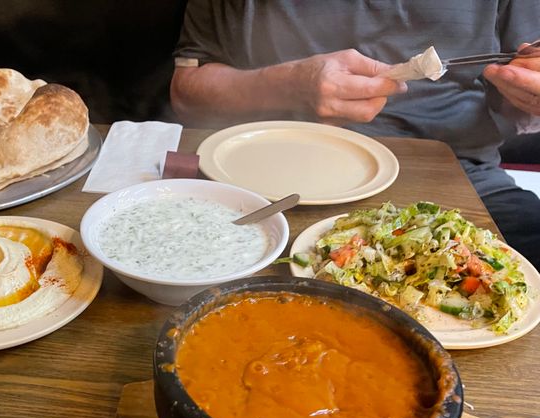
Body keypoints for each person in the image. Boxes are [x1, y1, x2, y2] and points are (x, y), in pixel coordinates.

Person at [170, 0, 540, 267]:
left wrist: (530, 95)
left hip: (462, 180)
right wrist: (289, 85)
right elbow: (186, 92)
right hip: (263, 183)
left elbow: (521, 105)